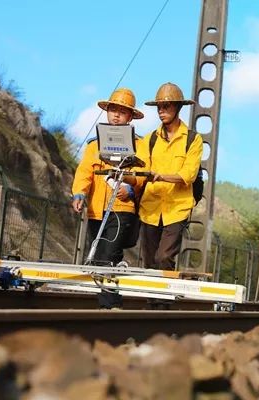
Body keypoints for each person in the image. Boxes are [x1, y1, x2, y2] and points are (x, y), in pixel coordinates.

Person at [71, 88, 144, 308]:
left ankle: (109, 304)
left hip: (122, 209)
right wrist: (79, 193)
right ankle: (111, 300)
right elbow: (85, 172)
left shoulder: (140, 146)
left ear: (130, 116)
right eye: (113, 110)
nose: (116, 115)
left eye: (122, 112)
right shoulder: (94, 145)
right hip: (96, 208)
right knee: (100, 253)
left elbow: (144, 176)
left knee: (109, 253)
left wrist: (131, 190)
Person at [135, 82, 202, 270]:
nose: (161, 111)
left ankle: (163, 301)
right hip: (150, 207)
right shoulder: (149, 139)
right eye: (159, 107)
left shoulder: (192, 139)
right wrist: (124, 177)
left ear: (178, 107)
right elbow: (141, 173)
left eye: (166, 106)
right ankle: (152, 300)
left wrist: (160, 176)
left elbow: (188, 175)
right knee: (149, 263)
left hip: (177, 208)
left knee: (164, 257)